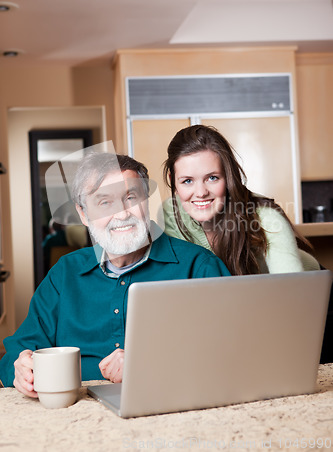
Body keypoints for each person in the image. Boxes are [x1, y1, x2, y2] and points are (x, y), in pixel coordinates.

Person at [0, 152, 230, 396]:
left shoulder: (199, 267)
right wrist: (18, 368)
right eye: (104, 203)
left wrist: (148, 365)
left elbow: (233, 353)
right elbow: (18, 351)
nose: (122, 215)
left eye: (131, 197)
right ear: (83, 214)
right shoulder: (64, 274)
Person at [162, 124, 319, 276]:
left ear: (229, 176)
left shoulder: (265, 216)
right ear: (173, 181)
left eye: (212, 178)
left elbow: (291, 291)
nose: (201, 193)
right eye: (187, 181)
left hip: (308, 289)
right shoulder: (171, 213)